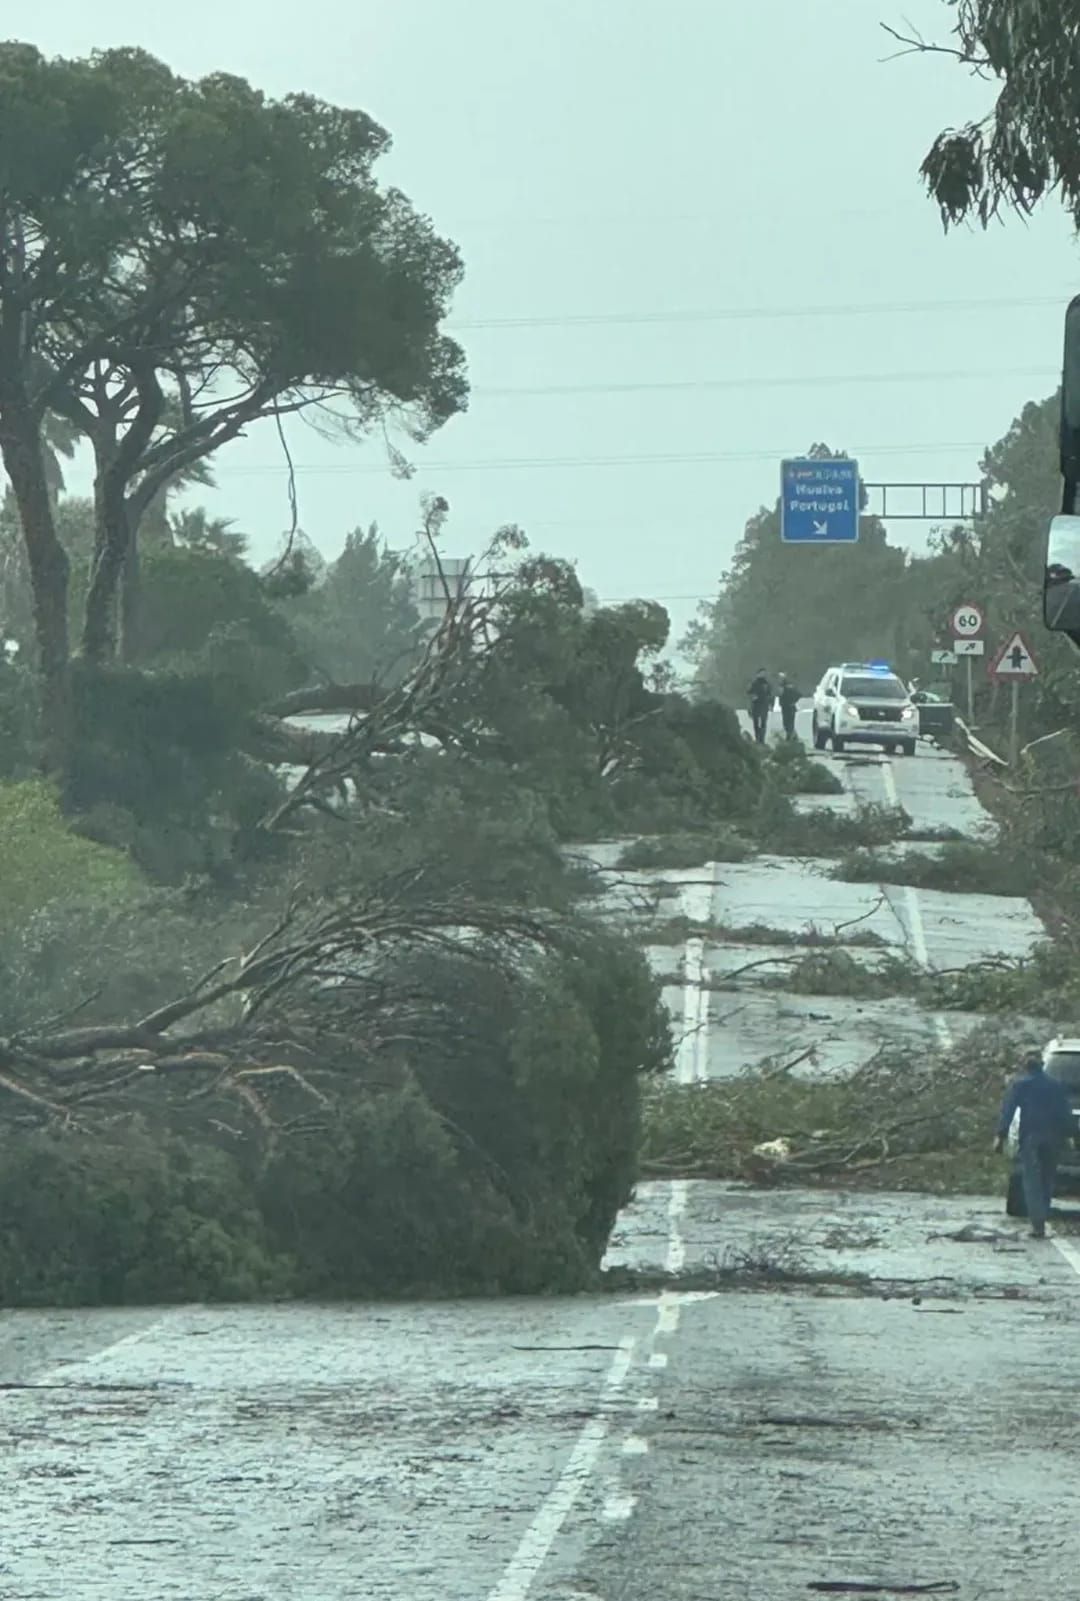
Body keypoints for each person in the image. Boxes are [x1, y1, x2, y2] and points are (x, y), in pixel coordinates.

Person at [994, 1051, 1075, 1237]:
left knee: (1032, 1181)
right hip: (1053, 1138)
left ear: (1025, 1066)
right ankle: (1042, 1218)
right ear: (1042, 1063)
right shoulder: (1056, 1086)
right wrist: (1070, 1135)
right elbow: (1065, 1112)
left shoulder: (1021, 1085)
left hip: (1030, 1137)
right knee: (1047, 1180)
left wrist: (1001, 1135)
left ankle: (1037, 1225)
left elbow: (1009, 1110)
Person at [747, 668, 772, 745]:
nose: (763, 674)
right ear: (757, 674)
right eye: (761, 673)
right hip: (756, 705)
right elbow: (749, 693)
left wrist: (771, 704)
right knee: (756, 722)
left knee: (763, 723)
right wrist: (753, 697)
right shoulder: (754, 683)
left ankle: (762, 739)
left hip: (764, 705)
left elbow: (770, 694)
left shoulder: (767, 684)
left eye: (764, 673)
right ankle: (758, 738)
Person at [776, 674, 800, 741]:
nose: (779, 679)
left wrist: (793, 701)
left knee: (789, 723)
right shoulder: (781, 686)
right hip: (785, 707)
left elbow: (798, 694)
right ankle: (791, 736)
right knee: (786, 723)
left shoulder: (789, 686)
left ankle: (791, 737)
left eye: (780, 678)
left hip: (790, 707)